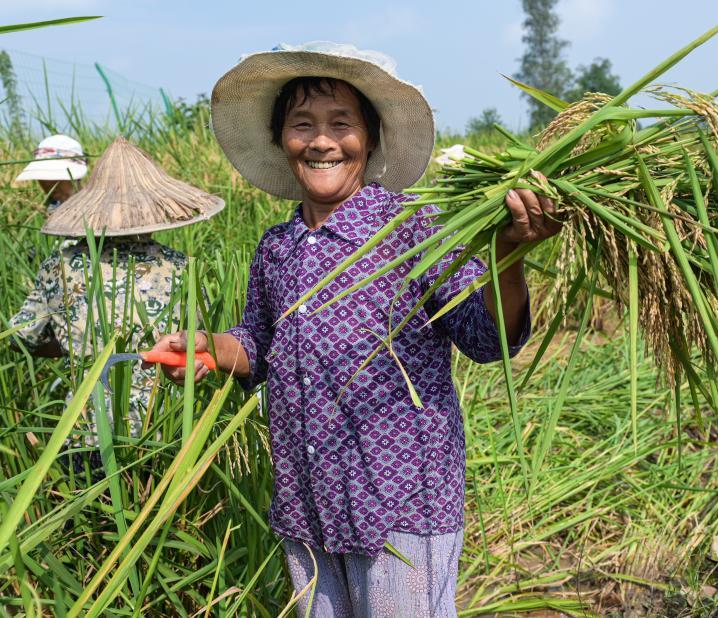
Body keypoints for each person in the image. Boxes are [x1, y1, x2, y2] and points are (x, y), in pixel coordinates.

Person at [149, 42, 560, 617]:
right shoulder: (278, 248)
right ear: (281, 140)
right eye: (302, 125)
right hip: (307, 501)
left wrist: (509, 256)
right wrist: (210, 349)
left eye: (341, 123)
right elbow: (259, 344)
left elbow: (486, 338)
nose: (321, 141)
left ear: (368, 137)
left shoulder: (415, 227)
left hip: (400, 505)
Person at [10, 136, 224, 471]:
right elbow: (204, 344)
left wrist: (76, 345)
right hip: (163, 432)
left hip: (85, 432)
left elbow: (22, 337)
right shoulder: (182, 267)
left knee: (89, 524)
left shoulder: (62, 264)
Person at [13, 134, 88, 214]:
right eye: (42, 176)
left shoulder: (94, 210)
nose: (48, 183)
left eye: (56, 177)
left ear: (77, 178)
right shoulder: (53, 207)